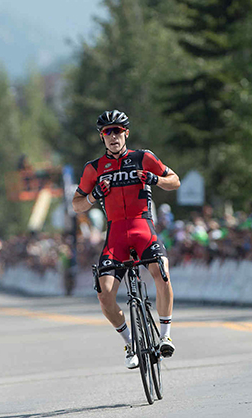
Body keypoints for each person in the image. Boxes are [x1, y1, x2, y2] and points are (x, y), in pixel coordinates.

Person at [72, 110, 180, 369]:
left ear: (126, 133)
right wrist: (93, 194)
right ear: (102, 137)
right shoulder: (94, 168)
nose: (113, 136)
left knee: (161, 273)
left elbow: (174, 181)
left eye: (117, 131)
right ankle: (130, 341)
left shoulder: (144, 157)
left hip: (143, 229)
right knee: (104, 294)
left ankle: (165, 337)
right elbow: (76, 205)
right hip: (116, 236)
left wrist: (155, 179)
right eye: (107, 132)